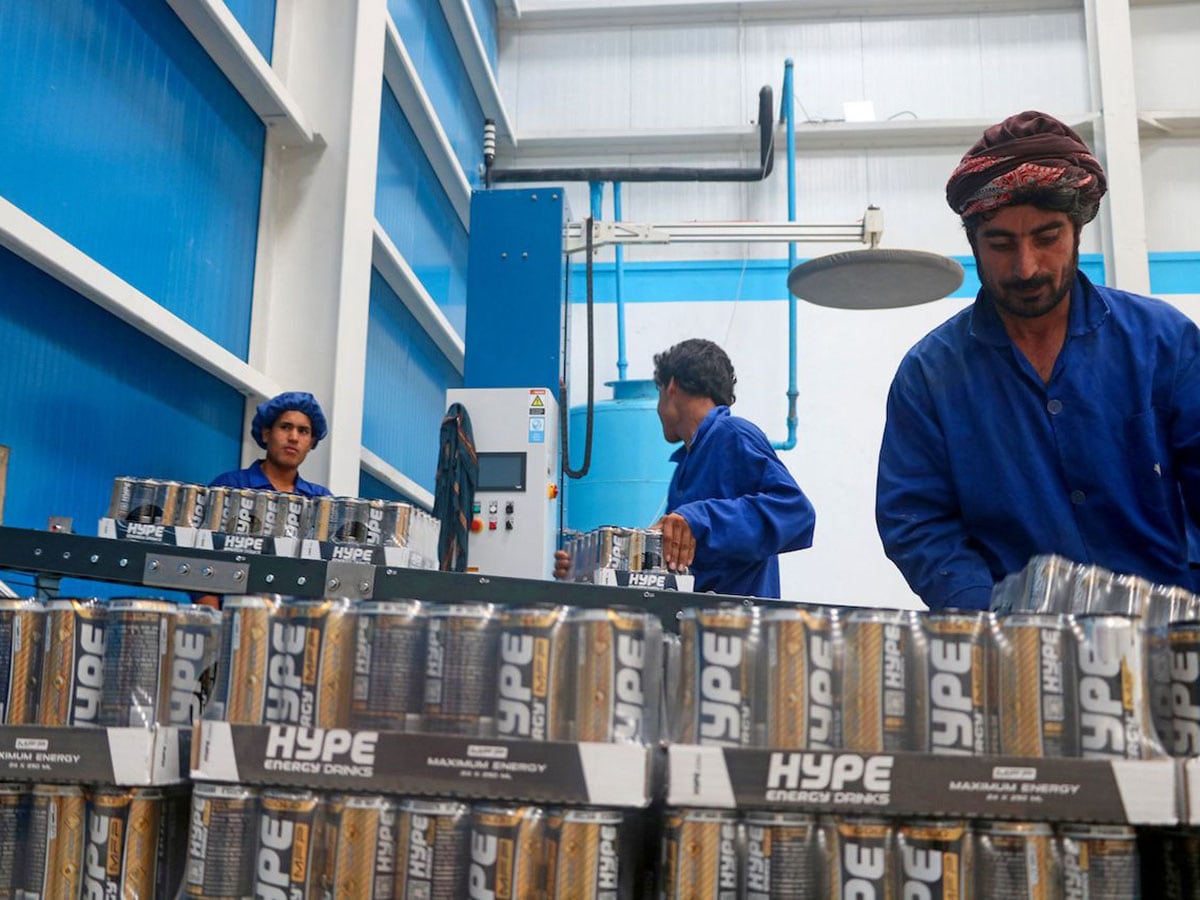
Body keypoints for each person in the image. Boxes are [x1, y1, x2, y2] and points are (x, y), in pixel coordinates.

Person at [876, 110, 1200, 610]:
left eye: (1046, 239)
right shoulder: (930, 376)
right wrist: (989, 623)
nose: (1025, 267)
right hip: (1018, 659)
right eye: (1001, 244)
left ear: (1076, 232)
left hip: (1170, 643)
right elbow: (917, 521)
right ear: (974, 245)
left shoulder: (1164, 343)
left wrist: (1182, 608)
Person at [557, 339, 816, 598]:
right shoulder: (687, 465)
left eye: (659, 395)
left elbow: (796, 512)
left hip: (736, 629)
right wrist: (585, 567)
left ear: (671, 386)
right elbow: (675, 564)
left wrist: (699, 518)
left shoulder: (732, 434)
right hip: (697, 625)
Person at [210, 391, 333, 497]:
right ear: (266, 434)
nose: (294, 438)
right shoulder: (229, 487)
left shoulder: (320, 500)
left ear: (311, 443)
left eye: (303, 431)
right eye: (285, 427)